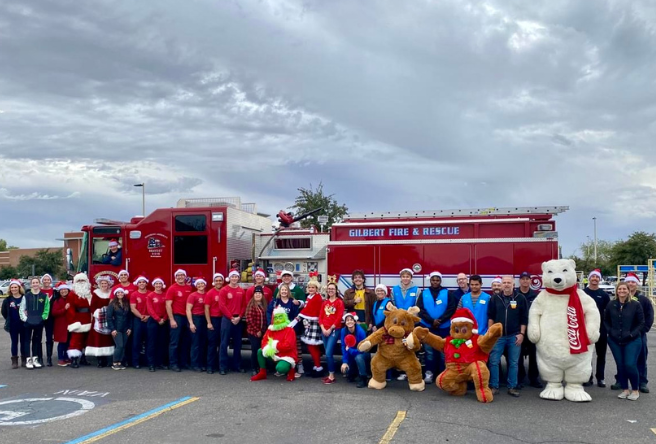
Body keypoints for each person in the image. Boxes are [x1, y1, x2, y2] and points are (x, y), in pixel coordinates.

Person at [487, 276, 528, 397]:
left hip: (514, 336)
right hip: (498, 336)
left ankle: (512, 387)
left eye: (508, 282)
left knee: (513, 363)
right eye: (504, 282)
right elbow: (491, 317)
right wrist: (491, 333)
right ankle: (494, 386)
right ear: (501, 285)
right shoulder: (495, 298)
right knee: (494, 361)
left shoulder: (520, 298)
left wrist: (521, 334)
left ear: (513, 284)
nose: (506, 284)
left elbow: (524, 318)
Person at [605, 282, 644, 401]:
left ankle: (635, 390)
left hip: (632, 340)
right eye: (620, 289)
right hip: (615, 340)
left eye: (624, 289)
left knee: (630, 364)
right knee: (620, 365)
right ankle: (625, 389)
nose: (622, 291)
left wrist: (632, 334)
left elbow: (641, 322)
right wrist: (610, 332)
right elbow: (606, 321)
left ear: (628, 291)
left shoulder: (635, 304)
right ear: (617, 291)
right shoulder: (611, 304)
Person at [417, 271, 457, 384]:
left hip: (444, 327)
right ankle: (429, 373)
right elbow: (420, 309)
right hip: (427, 327)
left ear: (440, 281)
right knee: (429, 352)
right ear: (430, 281)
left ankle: (443, 373)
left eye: (437, 280)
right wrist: (431, 321)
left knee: (443, 351)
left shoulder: (447, 293)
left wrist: (440, 320)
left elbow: (451, 308)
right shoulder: (424, 293)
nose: (435, 282)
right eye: (433, 280)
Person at [623, 273, 654, 394]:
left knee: (641, 358)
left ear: (637, 284)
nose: (630, 284)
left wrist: (644, 329)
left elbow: (649, 316)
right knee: (623, 359)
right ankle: (621, 381)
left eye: (633, 282)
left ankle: (642, 382)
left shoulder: (643, 299)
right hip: (624, 334)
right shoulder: (621, 297)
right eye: (628, 282)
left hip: (639, 334)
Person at [583, 269, 610, 388]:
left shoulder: (604, 295)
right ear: (589, 278)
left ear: (599, 279)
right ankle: (587, 377)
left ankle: (601, 378)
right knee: (587, 355)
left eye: (597, 277)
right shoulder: (583, 293)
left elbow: (608, 313)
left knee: (601, 354)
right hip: (585, 328)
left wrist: (607, 327)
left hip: (600, 329)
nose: (594, 278)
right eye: (592, 276)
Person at [516, 271, 543, 389]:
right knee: (518, 355)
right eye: (523, 279)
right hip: (519, 330)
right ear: (520, 281)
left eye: (527, 279)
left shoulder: (536, 295)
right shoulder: (515, 294)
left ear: (530, 281)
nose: (525, 281)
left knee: (534, 354)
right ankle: (519, 378)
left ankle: (533, 378)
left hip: (532, 329)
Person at [218, 269, 246, 374]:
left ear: (238, 278)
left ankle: (237, 365)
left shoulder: (241, 290)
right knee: (224, 343)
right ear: (229, 278)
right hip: (227, 319)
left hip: (238, 320)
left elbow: (244, 305)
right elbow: (222, 306)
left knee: (238, 344)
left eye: (236, 277)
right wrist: (231, 317)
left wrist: (239, 317)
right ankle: (223, 367)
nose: (234, 278)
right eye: (232, 277)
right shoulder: (224, 290)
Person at [165, 269, 193, 372]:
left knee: (185, 342)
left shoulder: (189, 288)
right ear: (175, 277)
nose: (180, 277)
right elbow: (168, 305)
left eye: (182, 275)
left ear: (185, 276)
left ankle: (184, 362)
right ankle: (173, 364)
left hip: (187, 318)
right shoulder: (172, 288)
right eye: (178, 275)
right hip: (177, 317)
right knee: (174, 342)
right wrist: (171, 319)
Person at [19, 277, 50, 369]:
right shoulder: (26, 296)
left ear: (39, 284)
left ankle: (35, 359)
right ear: (31, 284)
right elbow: (22, 308)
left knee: (36, 341)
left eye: (37, 282)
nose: (35, 284)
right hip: (28, 322)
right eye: (33, 282)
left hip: (39, 322)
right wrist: (25, 319)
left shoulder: (44, 296)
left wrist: (43, 318)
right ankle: (28, 360)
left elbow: (46, 309)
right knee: (27, 341)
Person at [85, 276, 115, 367]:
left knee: (107, 338)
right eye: (102, 283)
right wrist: (98, 313)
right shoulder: (95, 293)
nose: (104, 285)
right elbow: (92, 306)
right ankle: (100, 360)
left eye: (105, 283)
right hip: (98, 318)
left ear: (108, 284)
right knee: (98, 338)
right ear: (99, 284)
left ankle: (107, 358)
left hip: (109, 318)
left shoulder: (111, 293)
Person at [297, 280, 324, 376]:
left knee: (313, 346)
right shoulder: (309, 297)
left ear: (317, 289)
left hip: (314, 323)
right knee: (311, 346)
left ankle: (318, 367)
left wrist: (299, 316)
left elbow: (310, 310)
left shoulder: (317, 298)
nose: (311, 289)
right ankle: (316, 366)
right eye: (309, 287)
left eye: (313, 287)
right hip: (309, 323)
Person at [319, 282, 345, 385]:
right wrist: (322, 328)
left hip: (334, 330)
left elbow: (339, 318)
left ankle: (332, 376)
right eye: (329, 289)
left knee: (329, 352)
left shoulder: (339, 302)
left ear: (336, 290)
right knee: (327, 353)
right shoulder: (325, 303)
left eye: (332, 289)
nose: (330, 290)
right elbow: (320, 316)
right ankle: (330, 374)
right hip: (324, 330)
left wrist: (330, 329)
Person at [67, 273, 94, 368]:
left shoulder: (89, 293)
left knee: (86, 340)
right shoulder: (72, 294)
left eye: (83, 280)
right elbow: (70, 309)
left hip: (88, 319)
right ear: (75, 282)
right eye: (79, 281)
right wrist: (74, 321)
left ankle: (83, 358)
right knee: (75, 340)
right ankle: (73, 359)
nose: (81, 282)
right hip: (78, 320)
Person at [340, 312, 370, 388]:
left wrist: (350, 350)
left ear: (354, 321)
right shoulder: (343, 331)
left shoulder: (360, 332)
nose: (349, 321)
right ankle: (353, 372)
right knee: (348, 374)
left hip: (362, 352)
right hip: (352, 353)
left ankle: (363, 378)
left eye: (351, 320)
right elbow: (344, 347)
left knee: (358, 357)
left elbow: (362, 349)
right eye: (347, 320)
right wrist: (345, 362)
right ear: (345, 322)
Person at [146, 277, 169, 372]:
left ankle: (161, 363)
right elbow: (150, 309)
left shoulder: (165, 295)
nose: (158, 285)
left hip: (164, 321)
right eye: (157, 284)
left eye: (160, 284)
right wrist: (158, 319)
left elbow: (168, 308)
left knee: (162, 343)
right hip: (153, 321)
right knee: (152, 343)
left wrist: (164, 318)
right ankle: (151, 364)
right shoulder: (150, 296)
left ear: (162, 285)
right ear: (154, 285)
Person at [2, 280, 26, 369]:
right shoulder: (7, 300)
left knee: (23, 342)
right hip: (13, 325)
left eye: (15, 287)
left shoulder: (24, 298)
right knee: (14, 342)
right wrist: (8, 319)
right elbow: (4, 312)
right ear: (10, 289)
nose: (14, 289)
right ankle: (14, 361)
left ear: (19, 288)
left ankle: (24, 359)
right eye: (12, 287)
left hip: (23, 324)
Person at [106, 288, 132, 370]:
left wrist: (130, 328)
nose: (120, 294)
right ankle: (114, 362)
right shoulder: (112, 304)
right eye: (118, 292)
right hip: (116, 328)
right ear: (116, 294)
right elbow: (109, 318)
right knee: (119, 345)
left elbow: (130, 317)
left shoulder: (126, 304)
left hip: (125, 328)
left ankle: (120, 362)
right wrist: (112, 329)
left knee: (123, 346)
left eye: (121, 292)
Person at [245, 286, 268, 376]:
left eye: (259, 293)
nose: (258, 295)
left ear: (262, 295)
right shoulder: (251, 305)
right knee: (255, 350)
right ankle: (254, 368)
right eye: (256, 293)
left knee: (261, 350)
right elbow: (249, 320)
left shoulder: (264, 305)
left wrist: (263, 331)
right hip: (253, 332)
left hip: (262, 332)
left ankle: (261, 367)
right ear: (253, 295)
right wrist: (257, 330)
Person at [187, 277, 208, 372]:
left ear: (205, 285)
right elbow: (188, 310)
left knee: (203, 343)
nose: (200, 286)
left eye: (202, 284)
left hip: (205, 319)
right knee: (195, 343)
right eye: (198, 284)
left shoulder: (207, 295)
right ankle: (194, 364)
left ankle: (202, 363)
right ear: (196, 286)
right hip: (196, 319)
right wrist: (191, 323)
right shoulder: (192, 295)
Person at [205, 273, 224, 374]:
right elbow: (206, 308)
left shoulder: (225, 291)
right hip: (213, 320)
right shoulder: (210, 293)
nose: (218, 282)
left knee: (222, 344)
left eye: (220, 280)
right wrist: (209, 322)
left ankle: (220, 366)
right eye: (216, 280)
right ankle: (210, 366)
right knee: (212, 344)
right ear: (214, 282)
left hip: (224, 320)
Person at [130, 276, 150, 369]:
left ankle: (147, 361)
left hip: (150, 319)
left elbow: (154, 308)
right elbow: (133, 308)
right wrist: (141, 316)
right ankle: (135, 362)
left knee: (149, 342)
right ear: (137, 284)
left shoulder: (150, 293)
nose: (142, 283)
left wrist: (148, 316)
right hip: (138, 320)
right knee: (136, 342)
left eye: (143, 282)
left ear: (146, 283)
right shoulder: (134, 294)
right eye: (140, 282)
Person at [51, 282, 72, 366]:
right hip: (61, 325)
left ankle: (66, 357)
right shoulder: (57, 301)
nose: (63, 291)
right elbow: (54, 312)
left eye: (65, 289)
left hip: (69, 324)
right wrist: (64, 309)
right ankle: (60, 359)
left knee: (68, 342)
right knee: (62, 342)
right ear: (59, 291)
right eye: (62, 290)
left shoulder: (70, 299)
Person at [40, 273, 57, 367]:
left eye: (48, 280)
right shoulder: (39, 291)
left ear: (50, 281)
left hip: (51, 317)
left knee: (49, 337)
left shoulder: (54, 292)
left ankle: (49, 358)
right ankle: (39, 357)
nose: (46, 281)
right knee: (38, 337)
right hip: (40, 317)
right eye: (44, 280)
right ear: (42, 281)